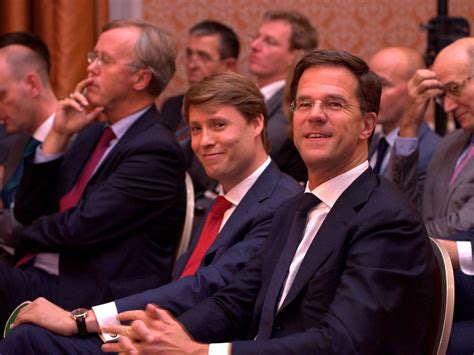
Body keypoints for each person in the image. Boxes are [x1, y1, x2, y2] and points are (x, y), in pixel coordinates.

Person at [100, 49, 435, 354]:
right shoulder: (293, 208)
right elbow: (236, 301)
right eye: (304, 104)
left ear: (366, 125)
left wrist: (201, 352)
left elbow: (342, 342)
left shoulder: (387, 218)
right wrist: (165, 335)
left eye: (333, 104)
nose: (314, 115)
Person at [0, 73, 302, 353]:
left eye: (218, 125)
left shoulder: (280, 202)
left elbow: (210, 288)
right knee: (29, 334)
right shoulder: (223, 199)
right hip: (153, 326)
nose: (204, 141)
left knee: (29, 339)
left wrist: (86, 320)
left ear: (257, 123)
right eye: (196, 128)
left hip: (198, 343)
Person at [0, 19, 187, 330]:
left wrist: (21, 232)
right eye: (93, 57)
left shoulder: (155, 151)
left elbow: (77, 227)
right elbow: (29, 209)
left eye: (105, 60)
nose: (91, 69)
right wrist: (57, 137)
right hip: (44, 272)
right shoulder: (92, 133)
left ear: (140, 79)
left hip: (85, 294)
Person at [384, 37, 474, 355]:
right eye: (441, 94)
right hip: (438, 284)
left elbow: (462, 225)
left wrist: (400, 238)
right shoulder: (451, 143)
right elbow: (403, 205)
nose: (447, 106)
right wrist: (410, 121)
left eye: (453, 89)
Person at [162, 20, 240, 197]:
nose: (192, 64)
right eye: (189, 55)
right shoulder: (171, 106)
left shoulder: (235, 114)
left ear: (229, 66)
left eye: (203, 57)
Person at [0, 32, 57, 247]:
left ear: (32, 85)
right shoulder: (19, 144)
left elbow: (24, 226)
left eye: (1, 96)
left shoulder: (77, 140)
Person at [250, 10, 317, 182]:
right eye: (256, 37)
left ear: (293, 56)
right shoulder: (245, 94)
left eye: (270, 42)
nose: (255, 45)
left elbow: (258, 153)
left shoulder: (293, 105)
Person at [368, 46, 440, 181]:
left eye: (383, 84)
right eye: (370, 84)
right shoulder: (369, 143)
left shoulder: (435, 152)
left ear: (416, 88)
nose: (371, 93)